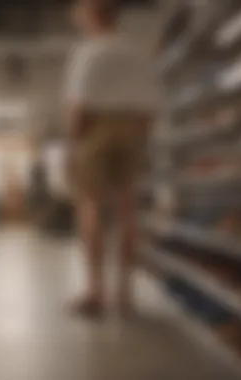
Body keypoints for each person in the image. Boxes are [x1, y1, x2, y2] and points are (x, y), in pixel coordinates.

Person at [64, 0, 160, 317]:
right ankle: (126, 294)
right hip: (134, 126)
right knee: (127, 209)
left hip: (96, 127)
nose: (78, 20)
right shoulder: (137, 54)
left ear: (94, 16)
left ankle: (96, 293)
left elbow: (78, 106)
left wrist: (72, 146)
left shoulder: (88, 52)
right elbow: (151, 108)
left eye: (80, 15)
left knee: (90, 206)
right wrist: (138, 135)